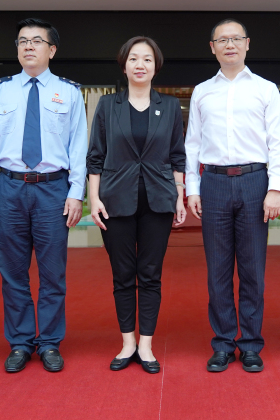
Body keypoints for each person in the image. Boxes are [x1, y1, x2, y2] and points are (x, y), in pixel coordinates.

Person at [0, 18, 87, 373]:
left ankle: (50, 342)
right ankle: (21, 342)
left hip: (53, 189)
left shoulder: (69, 92)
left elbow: (78, 146)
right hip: (9, 188)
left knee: (53, 273)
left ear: (51, 50)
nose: (28, 46)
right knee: (12, 273)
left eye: (37, 41)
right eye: (22, 41)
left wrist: (76, 193)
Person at [185, 19, 280, 373]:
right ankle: (224, 343)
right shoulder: (202, 91)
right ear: (212, 47)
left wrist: (274, 188)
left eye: (236, 39)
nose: (230, 45)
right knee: (218, 269)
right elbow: (193, 143)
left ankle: (251, 343)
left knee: (253, 268)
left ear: (247, 44)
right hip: (213, 182)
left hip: (255, 181)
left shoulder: (266, 89)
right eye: (222, 40)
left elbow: (278, 142)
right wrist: (192, 188)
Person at [86, 37, 186, 374]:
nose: (140, 64)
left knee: (151, 274)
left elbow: (177, 155)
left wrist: (179, 194)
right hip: (115, 200)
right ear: (124, 65)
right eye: (133, 58)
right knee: (123, 275)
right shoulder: (107, 105)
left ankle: (146, 345)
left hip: (158, 200)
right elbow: (95, 156)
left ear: (156, 66)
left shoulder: (169, 106)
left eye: (147, 59)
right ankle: (127, 342)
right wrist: (94, 198)